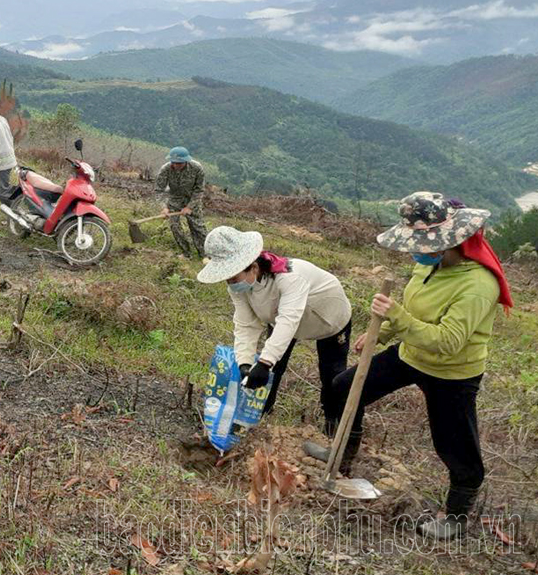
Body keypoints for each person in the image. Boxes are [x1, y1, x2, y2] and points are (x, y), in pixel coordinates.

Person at [306, 193, 509, 540]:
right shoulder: (429, 263)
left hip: (451, 372)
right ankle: (342, 451)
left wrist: (396, 317)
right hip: (411, 354)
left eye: (421, 244)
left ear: (448, 243)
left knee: (455, 446)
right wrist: (384, 331)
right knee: (343, 388)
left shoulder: (478, 285)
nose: (416, 251)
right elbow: (416, 312)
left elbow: (447, 342)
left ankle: (456, 515)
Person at [197, 226, 352, 429]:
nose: (230, 283)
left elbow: (289, 319)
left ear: (253, 267)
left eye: (233, 278)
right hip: (281, 321)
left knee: (332, 374)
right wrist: (245, 363)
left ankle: (334, 425)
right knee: (271, 371)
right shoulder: (239, 287)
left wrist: (265, 362)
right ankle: (259, 416)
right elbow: (246, 324)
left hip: (328, 319)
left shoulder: (290, 277)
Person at [155, 146, 207, 259]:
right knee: (175, 226)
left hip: (192, 198)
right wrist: (164, 207)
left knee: (198, 227)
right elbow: (159, 190)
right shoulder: (165, 169)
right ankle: (186, 253)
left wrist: (190, 207)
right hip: (175, 199)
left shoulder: (197, 168)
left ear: (186, 161)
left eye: (180, 163)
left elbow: (199, 190)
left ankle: (205, 254)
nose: (176, 165)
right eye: (174, 162)